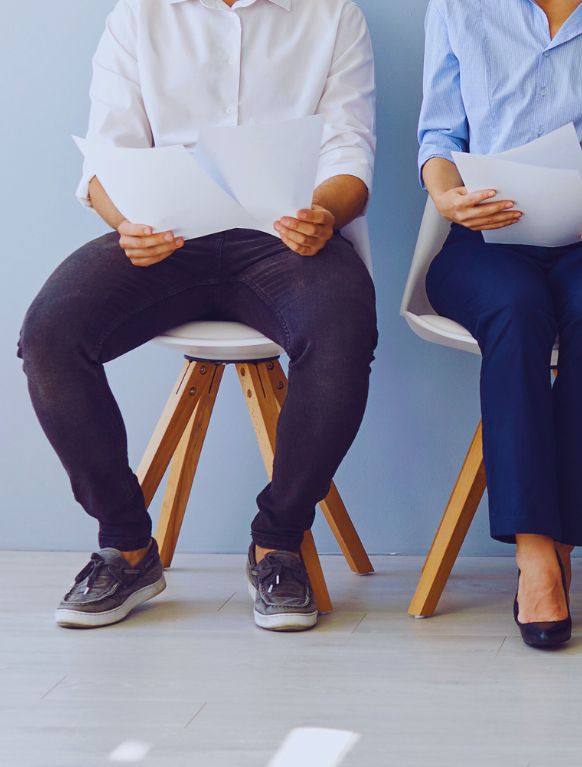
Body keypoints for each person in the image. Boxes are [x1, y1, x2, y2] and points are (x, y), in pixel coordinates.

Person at [19, 0, 377, 633]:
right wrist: (126, 224)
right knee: (49, 333)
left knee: (344, 326)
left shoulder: (331, 12)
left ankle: (278, 544)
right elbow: (104, 156)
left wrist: (323, 212)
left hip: (286, 234)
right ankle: (127, 547)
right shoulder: (138, 13)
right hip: (165, 234)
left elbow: (351, 149)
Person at [417, 0, 582, 647]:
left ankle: (563, 544)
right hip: (484, 240)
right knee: (516, 310)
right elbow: (439, 138)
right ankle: (536, 555)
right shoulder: (457, 8)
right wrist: (449, 198)